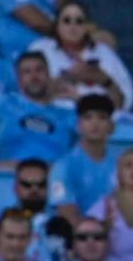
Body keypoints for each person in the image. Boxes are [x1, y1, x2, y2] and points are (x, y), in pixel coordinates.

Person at [29, 0, 133, 111]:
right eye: (67, 20)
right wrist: (68, 77)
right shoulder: (39, 49)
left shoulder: (104, 53)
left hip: (96, 119)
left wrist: (104, 80)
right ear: (57, 25)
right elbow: (27, 92)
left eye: (79, 21)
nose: (73, 26)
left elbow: (124, 103)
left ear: (87, 27)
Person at [0, 50, 76, 165]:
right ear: (19, 79)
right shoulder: (3, 105)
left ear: (48, 75)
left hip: (52, 176)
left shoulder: (68, 116)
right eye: (27, 72)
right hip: (7, 175)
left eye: (39, 70)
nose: (34, 76)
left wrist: (79, 100)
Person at [47, 93, 114, 223]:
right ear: (78, 124)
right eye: (88, 117)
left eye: (102, 117)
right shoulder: (63, 167)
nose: (95, 123)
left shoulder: (119, 166)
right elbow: (67, 215)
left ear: (111, 126)